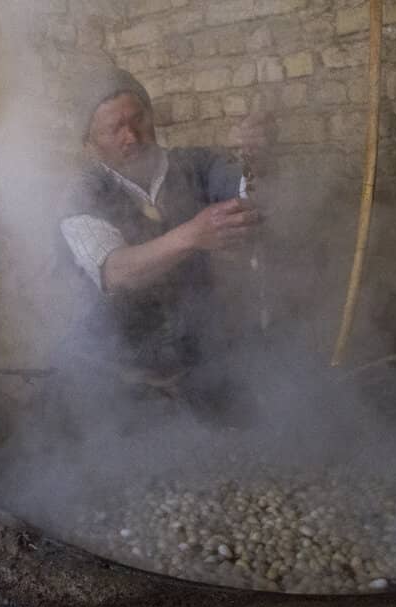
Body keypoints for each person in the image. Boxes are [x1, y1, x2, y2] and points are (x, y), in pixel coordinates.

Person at [57, 68, 271, 422]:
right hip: (116, 372)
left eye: (137, 119)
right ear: (90, 144)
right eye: (114, 129)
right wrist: (193, 234)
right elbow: (116, 271)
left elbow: (250, 198)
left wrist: (257, 161)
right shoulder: (81, 195)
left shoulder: (197, 165)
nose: (131, 136)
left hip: (200, 358)